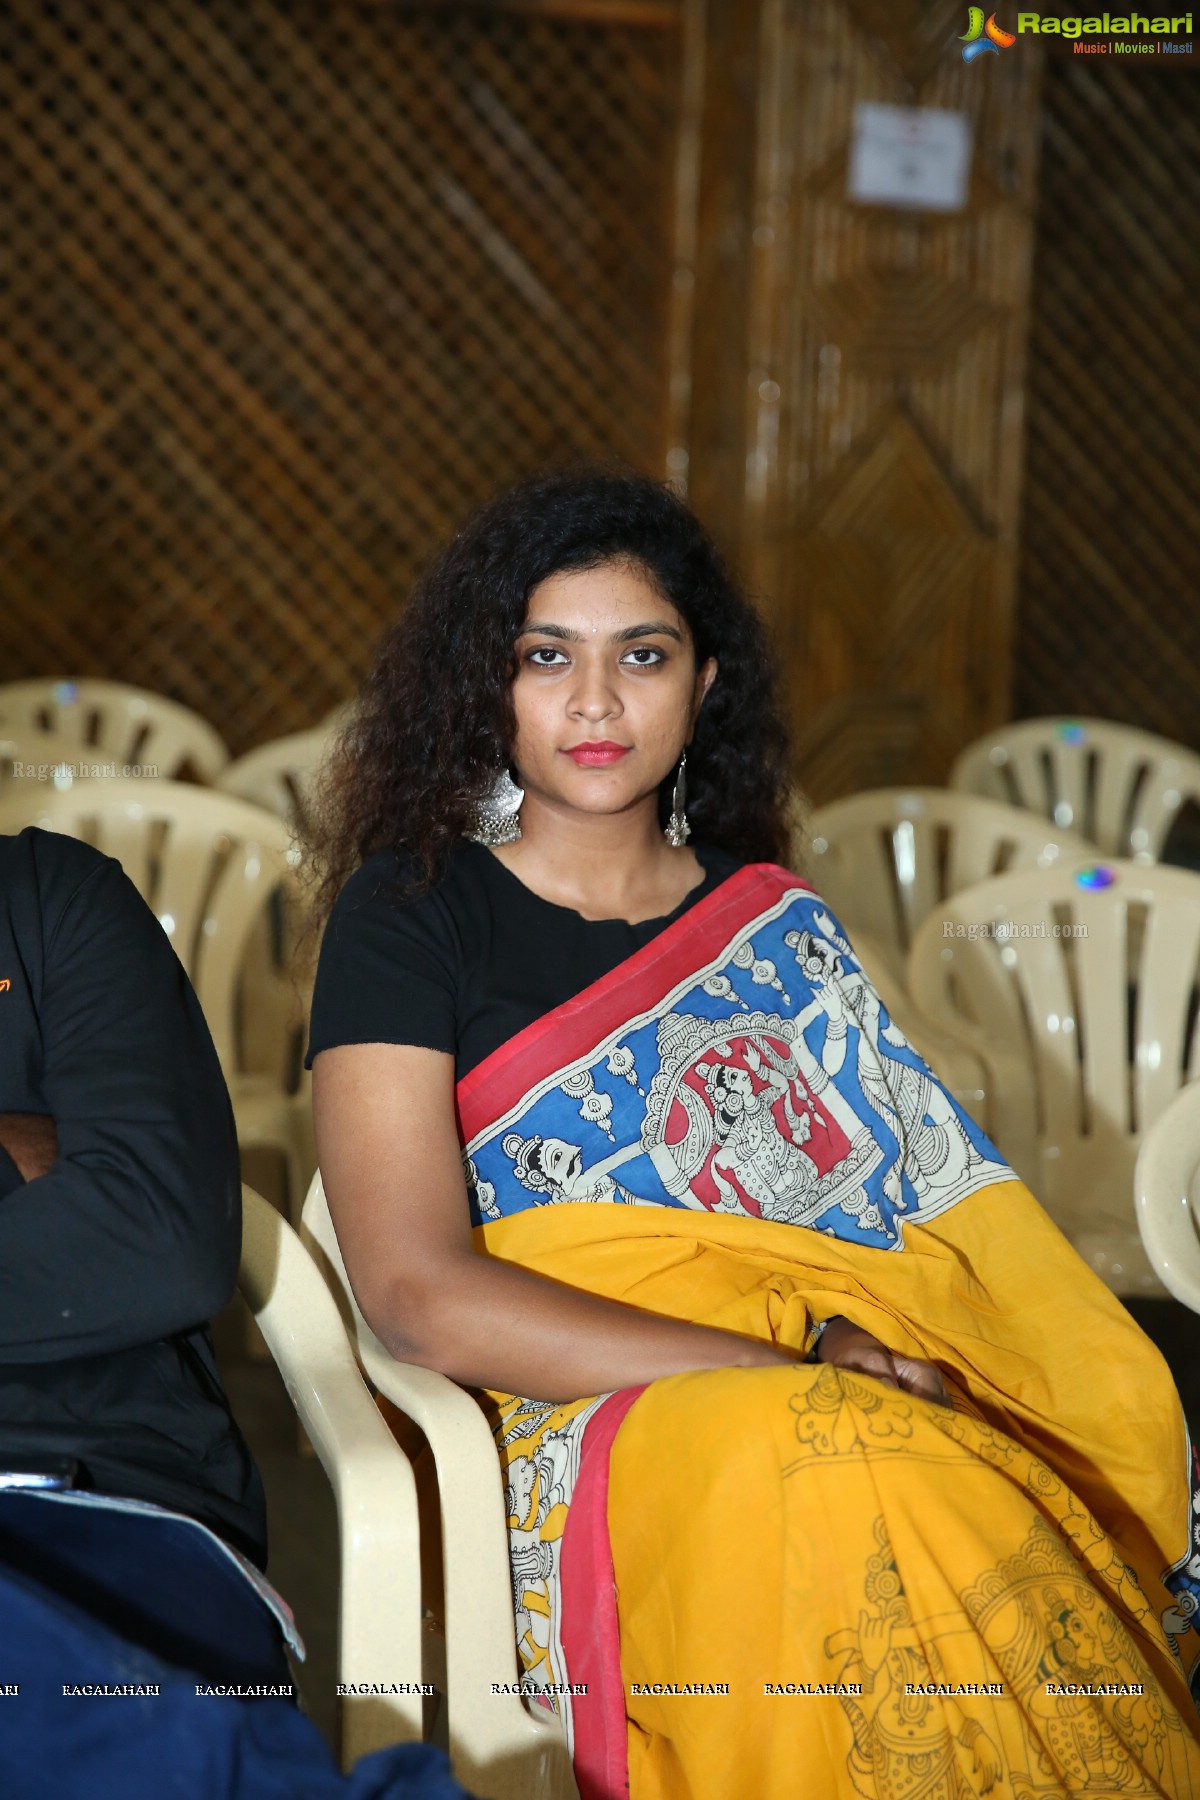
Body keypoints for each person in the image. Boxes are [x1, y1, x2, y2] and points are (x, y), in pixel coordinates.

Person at [304, 467, 1200, 1800]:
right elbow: (418, 1296)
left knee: (1020, 1434)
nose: (595, 700)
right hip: (579, 1411)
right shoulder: (410, 913)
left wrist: (861, 1354)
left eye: (642, 655)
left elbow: (921, 1220)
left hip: (841, 1379)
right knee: (828, 1468)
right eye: (546, 655)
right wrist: (770, 1362)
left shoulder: (774, 927)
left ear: (705, 683)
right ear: (485, 684)